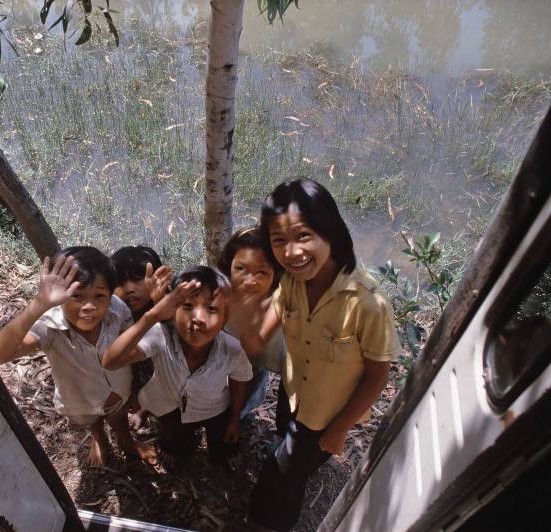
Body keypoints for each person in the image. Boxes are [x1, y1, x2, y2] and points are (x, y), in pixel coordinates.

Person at [242, 180, 399, 531]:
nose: (292, 252)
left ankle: (267, 524)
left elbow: (377, 377)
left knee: (282, 476)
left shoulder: (368, 305)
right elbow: (256, 340)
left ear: (330, 231)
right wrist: (250, 301)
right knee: (286, 438)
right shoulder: (292, 282)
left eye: (303, 235)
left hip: (327, 415)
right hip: (293, 391)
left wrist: (340, 429)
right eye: (278, 240)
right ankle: (303, 459)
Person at [0, 246, 155, 466]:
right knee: (91, 421)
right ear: (61, 297)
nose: (89, 306)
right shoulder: (49, 326)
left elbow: (128, 349)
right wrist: (39, 304)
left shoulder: (117, 310)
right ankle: (100, 441)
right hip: (78, 400)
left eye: (99, 295)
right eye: (77, 296)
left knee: (118, 417)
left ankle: (125, 440)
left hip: (118, 391)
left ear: (111, 294)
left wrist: (133, 389)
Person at [102, 266, 253, 465]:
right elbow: (111, 361)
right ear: (173, 312)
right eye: (188, 306)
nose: (198, 318)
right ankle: (179, 450)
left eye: (212, 308)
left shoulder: (231, 349)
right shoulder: (160, 336)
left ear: (225, 317)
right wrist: (153, 314)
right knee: (176, 441)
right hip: (169, 408)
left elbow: (239, 383)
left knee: (222, 442)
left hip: (215, 409)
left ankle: (222, 455)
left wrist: (234, 420)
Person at [217, 227, 285, 421]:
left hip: (268, 361)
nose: (250, 281)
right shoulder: (220, 296)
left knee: (254, 385)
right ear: (229, 265)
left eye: (262, 272)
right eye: (240, 269)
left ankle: (242, 415)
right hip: (233, 361)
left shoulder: (280, 300)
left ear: (275, 274)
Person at [111, 245, 172, 429]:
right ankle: (143, 407)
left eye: (137, 280)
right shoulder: (115, 315)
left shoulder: (170, 302)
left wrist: (159, 301)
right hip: (139, 368)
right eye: (120, 283)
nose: (129, 289)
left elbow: (174, 329)